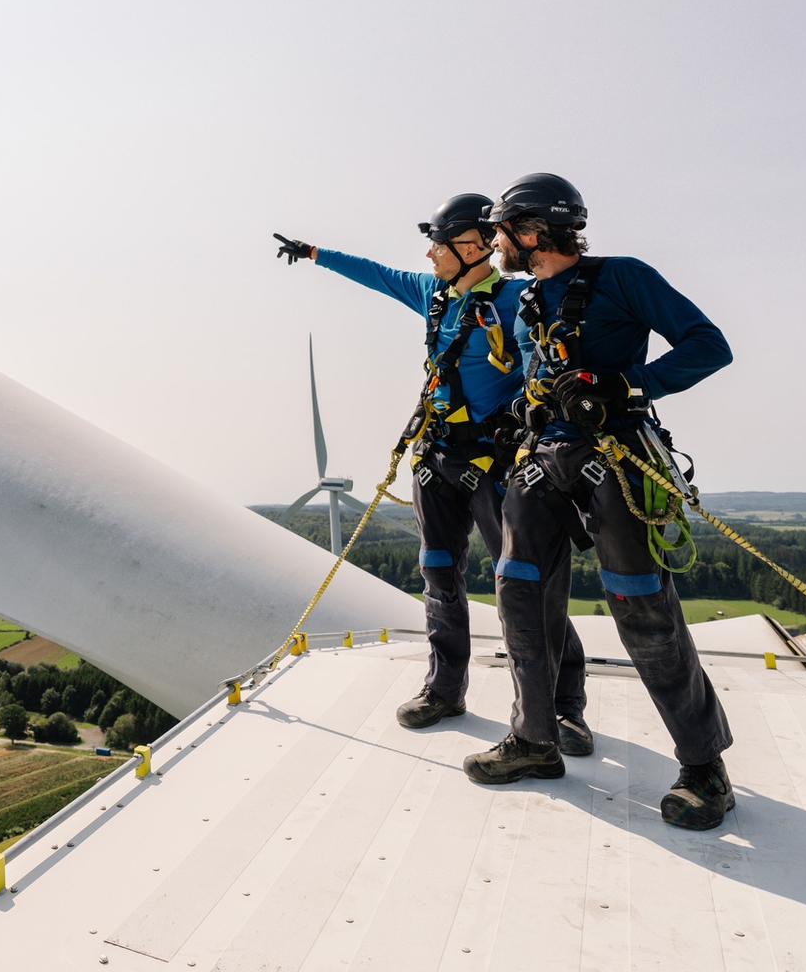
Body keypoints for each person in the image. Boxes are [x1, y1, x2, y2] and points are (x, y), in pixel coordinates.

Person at [464, 172, 736, 831]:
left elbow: (709, 346)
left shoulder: (624, 277)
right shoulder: (528, 300)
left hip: (614, 459)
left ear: (531, 232)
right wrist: (516, 416)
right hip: (540, 461)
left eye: (500, 231)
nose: (494, 242)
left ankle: (705, 767)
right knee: (519, 593)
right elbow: (537, 378)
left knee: (642, 606)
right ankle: (534, 738)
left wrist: (627, 385)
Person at [274, 197, 588, 748]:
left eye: (438, 246)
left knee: (531, 586)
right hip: (437, 457)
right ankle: (444, 689)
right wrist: (316, 253)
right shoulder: (433, 295)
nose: (428, 256)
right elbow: (376, 274)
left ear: (472, 248)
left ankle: (563, 708)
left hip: (497, 462)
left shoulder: (520, 300)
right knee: (439, 576)